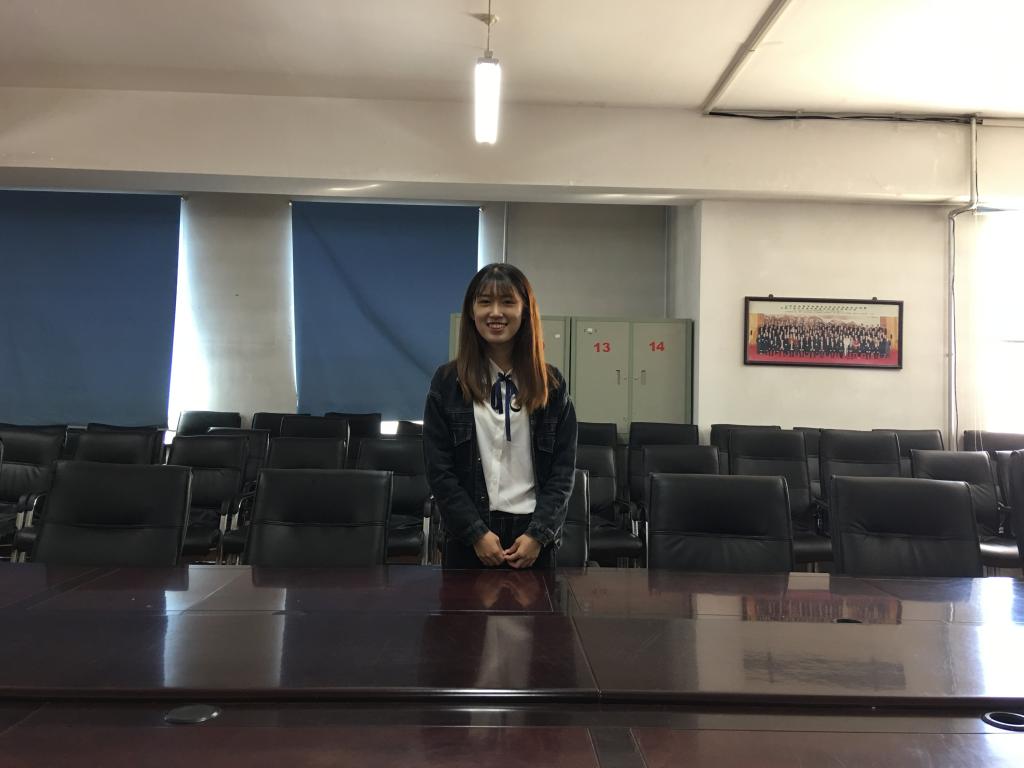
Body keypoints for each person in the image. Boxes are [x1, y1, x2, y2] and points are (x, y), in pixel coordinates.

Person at [423, 263, 577, 569]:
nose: (495, 312)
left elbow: (563, 472)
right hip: (468, 537)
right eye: (485, 302)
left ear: (524, 311)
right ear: (472, 312)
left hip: (532, 539)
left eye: (507, 302)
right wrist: (476, 533)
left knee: (537, 604)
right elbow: (439, 470)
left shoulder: (551, 384)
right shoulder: (447, 382)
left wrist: (538, 535)